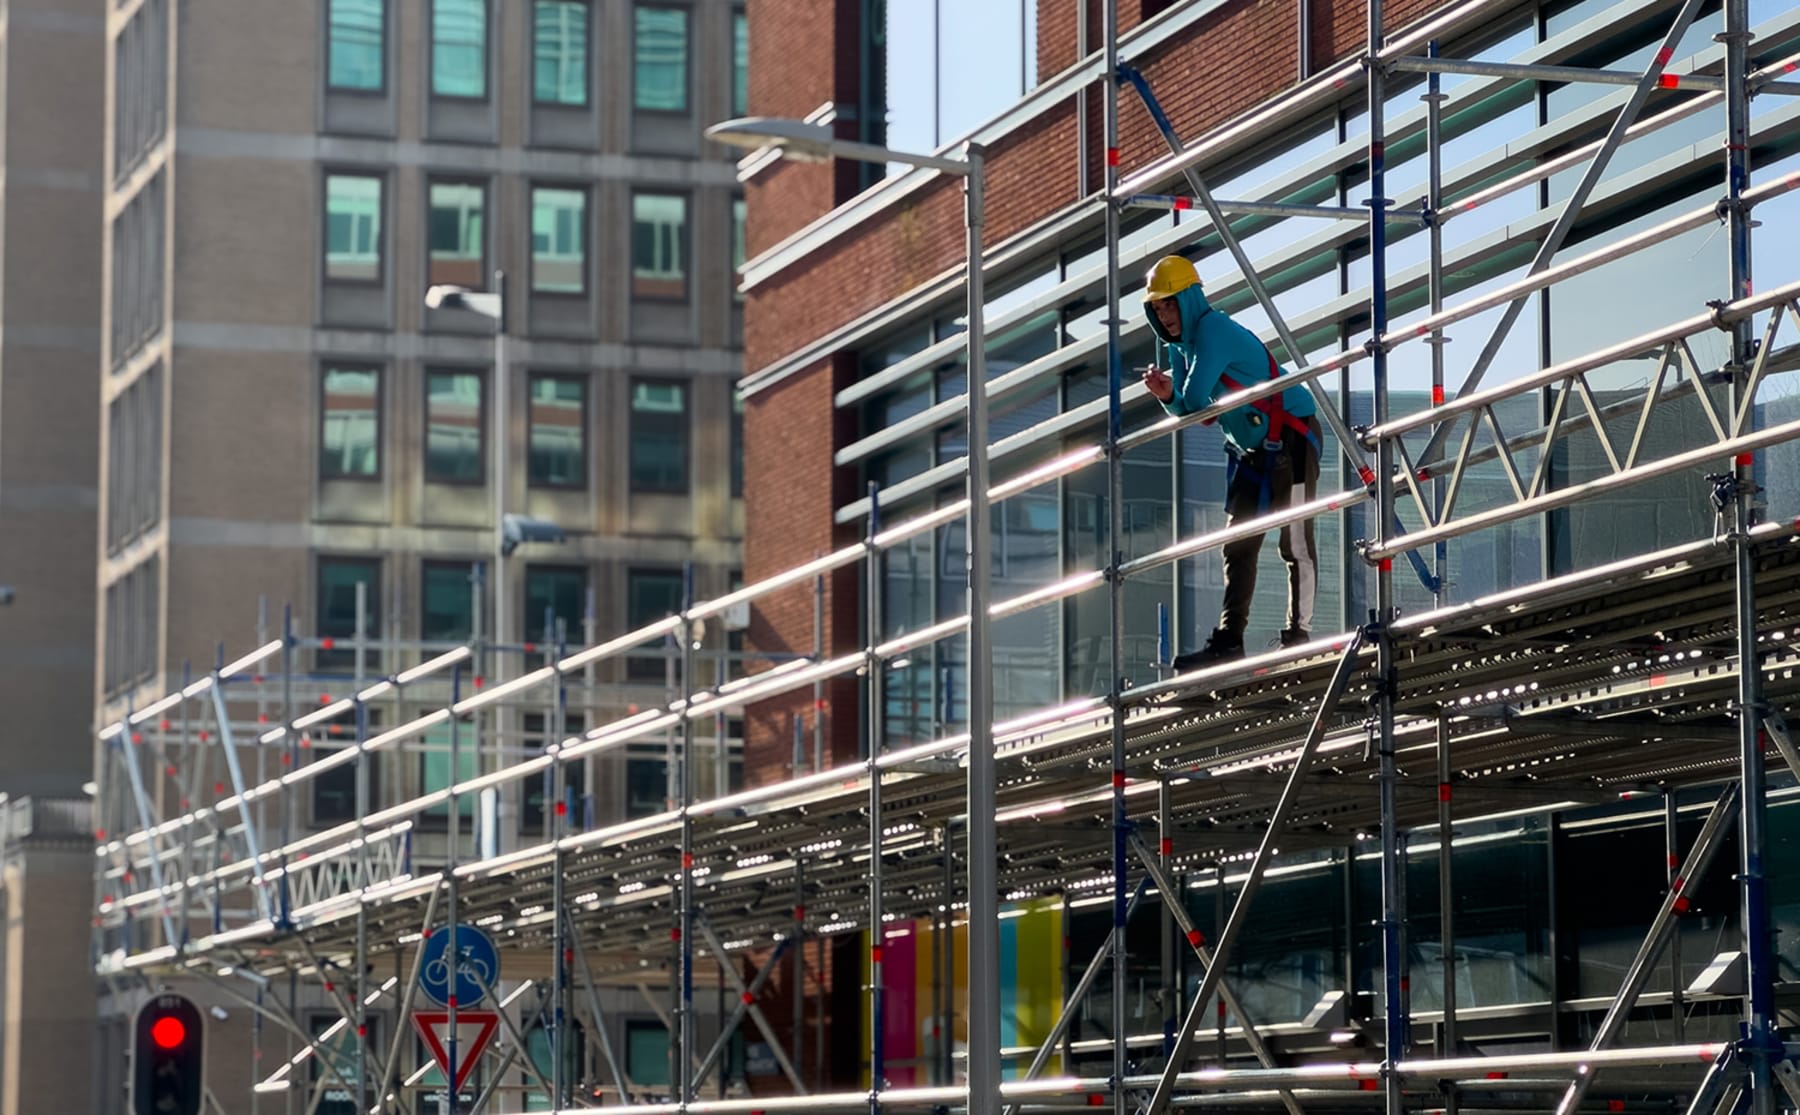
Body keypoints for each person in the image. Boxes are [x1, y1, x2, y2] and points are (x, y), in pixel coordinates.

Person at [1139, 254, 1322, 669]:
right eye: (1158, 306)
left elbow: (1199, 403)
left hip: (1292, 437)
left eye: (1170, 303)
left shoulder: (1212, 331)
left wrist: (1179, 397)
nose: (1164, 314)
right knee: (1237, 546)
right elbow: (1191, 407)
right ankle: (1229, 640)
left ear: (1188, 299)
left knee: (1293, 542)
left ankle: (1299, 636)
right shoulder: (1181, 346)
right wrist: (1168, 395)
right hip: (1252, 451)